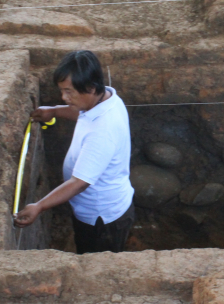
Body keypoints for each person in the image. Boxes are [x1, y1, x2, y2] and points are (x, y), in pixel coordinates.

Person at [13, 50, 135, 254]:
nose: (64, 97)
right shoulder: (106, 98)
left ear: (90, 88)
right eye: (62, 91)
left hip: (101, 218)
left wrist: (39, 206)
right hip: (99, 208)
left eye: (69, 92)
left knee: (94, 263)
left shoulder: (103, 132)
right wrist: (53, 111)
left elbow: (79, 182)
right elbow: (81, 111)